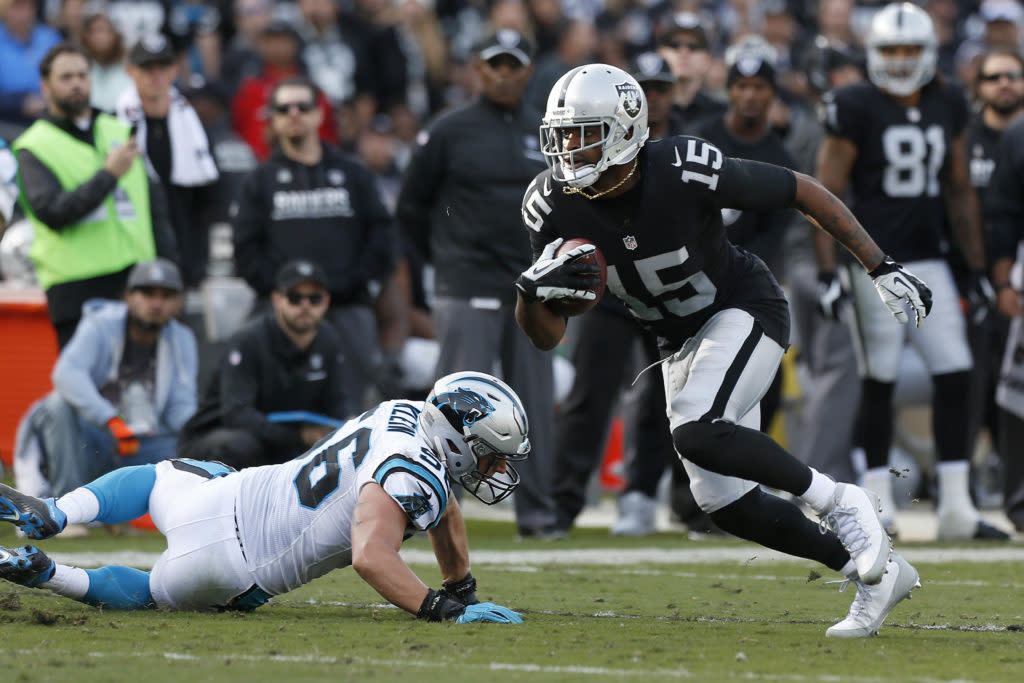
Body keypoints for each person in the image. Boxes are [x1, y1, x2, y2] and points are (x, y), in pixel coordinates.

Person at [515, 63, 924, 638]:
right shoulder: (550, 205)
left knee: (696, 427)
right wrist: (530, 293)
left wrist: (878, 264)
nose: (569, 149)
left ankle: (840, 500)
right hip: (678, 339)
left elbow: (798, 189)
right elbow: (546, 335)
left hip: (745, 307)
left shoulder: (681, 167)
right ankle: (874, 577)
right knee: (724, 502)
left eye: (585, 133)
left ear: (626, 129)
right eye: (561, 135)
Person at [0, 371, 525, 626]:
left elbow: (443, 509)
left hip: (226, 496)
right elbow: (371, 556)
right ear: (456, 440)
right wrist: (441, 608)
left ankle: (61, 510)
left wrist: (463, 587)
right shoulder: (416, 473)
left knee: (169, 475)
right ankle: (50, 574)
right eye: (490, 454)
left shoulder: (404, 413)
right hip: (231, 569)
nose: (496, 468)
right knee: (153, 594)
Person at [813, 3, 1006, 540]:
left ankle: (955, 505)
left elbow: (960, 189)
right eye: (891, 51)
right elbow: (824, 195)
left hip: (931, 259)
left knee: (957, 373)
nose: (900, 62)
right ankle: (877, 504)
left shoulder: (948, 100)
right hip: (872, 262)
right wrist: (831, 270)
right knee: (880, 380)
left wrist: (976, 267)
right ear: (873, 53)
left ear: (929, 54)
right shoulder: (854, 103)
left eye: (911, 51)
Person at [397, 30, 558, 539]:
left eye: (514, 65)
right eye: (495, 64)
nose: (505, 74)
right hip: (465, 280)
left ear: (529, 71)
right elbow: (410, 207)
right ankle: (433, 504)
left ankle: (537, 511)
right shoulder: (448, 130)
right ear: (478, 69)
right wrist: (444, 261)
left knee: (533, 400)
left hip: (530, 285)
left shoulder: (547, 131)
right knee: (451, 403)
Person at [233, 76, 397, 409]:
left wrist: (350, 282)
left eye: (302, 106)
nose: (293, 114)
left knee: (352, 411)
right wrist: (284, 293)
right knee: (278, 409)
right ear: (274, 119)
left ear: (319, 114)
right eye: (283, 108)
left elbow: (382, 236)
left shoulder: (353, 173)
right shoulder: (259, 181)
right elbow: (245, 250)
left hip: (348, 306)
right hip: (282, 311)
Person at [13, 42, 177, 348]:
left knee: (141, 390)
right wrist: (107, 176)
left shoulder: (118, 129)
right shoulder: (33, 146)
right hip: (77, 292)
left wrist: (169, 269)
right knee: (86, 391)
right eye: (66, 78)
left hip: (136, 284)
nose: (76, 84)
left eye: (82, 75)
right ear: (45, 86)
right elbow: (53, 213)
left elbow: (154, 208)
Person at [13, 258, 195, 507]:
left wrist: (200, 431)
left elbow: (181, 406)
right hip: (95, 437)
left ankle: (165, 511)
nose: (157, 303)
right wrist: (109, 418)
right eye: (148, 293)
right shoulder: (100, 323)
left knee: (196, 443)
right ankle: (65, 506)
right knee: (58, 406)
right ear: (129, 297)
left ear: (178, 303)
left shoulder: (182, 338)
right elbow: (66, 374)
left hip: (144, 443)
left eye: (166, 296)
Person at [176, 259, 350, 469]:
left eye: (314, 298)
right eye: (295, 298)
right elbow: (237, 414)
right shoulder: (248, 340)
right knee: (241, 446)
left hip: (286, 438)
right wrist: (299, 436)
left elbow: (338, 405)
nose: (305, 305)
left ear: (327, 301)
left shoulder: (330, 339)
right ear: (277, 299)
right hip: (216, 435)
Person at [960, 49, 1024, 505]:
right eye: (995, 76)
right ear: (978, 85)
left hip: (1005, 272)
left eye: (1014, 76)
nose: (1005, 84)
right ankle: (1000, 488)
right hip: (983, 276)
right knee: (988, 386)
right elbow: (995, 217)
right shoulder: (965, 138)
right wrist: (997, 280)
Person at [117, 33, 220, 288]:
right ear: (130, 71)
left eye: (162, 67)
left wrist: (199, 259)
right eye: (146, 68)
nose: (155, 75)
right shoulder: (115, 125)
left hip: (185, 249)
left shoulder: (195, 128)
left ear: (174, 71)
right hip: (132, 252)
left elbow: (207, 197)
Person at [983, 85, 1024, 533]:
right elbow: (1002, 215)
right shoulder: (1018, 137)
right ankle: (1021, 502)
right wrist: (1002, 280)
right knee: (1019, 390)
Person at [0, 0, 61, 126]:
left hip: (48, 114)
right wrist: (20, 103)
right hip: (6, 120)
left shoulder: (49, 37)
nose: (24, 14)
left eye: (28, 8)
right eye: (17, 8)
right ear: (5, 11)